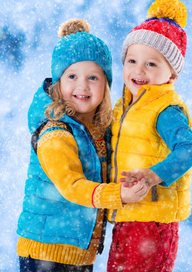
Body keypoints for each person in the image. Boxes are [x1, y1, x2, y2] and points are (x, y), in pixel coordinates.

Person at [17, 19, 150, 272]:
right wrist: (118, 195)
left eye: (93, 77)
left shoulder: (97, 130)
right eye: (72, 76)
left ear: (106, 85)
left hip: (78, 254)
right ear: (58, 83)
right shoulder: (56, 132)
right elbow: (71, 186)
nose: (82, 86)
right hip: (47, 252)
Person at [106, 0, 192, 272]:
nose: (138, 70)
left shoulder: (165, 109)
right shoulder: (125, 106)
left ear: (171, 74)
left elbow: (188, 150)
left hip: (153, 224)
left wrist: (152, 175)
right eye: (132, 60)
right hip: (127, 217)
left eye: (151, 64)